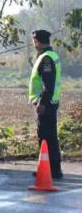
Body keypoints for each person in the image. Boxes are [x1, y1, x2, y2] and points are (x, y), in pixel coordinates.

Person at [29, 29, 63, 179]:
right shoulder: (50, 55)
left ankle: (52, 170)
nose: (33, 44)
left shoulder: (46, 58)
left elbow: (47, 84)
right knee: (50, 137)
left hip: (46, 103)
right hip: (51, 101)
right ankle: (51, 169)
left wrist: (41, 103)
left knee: (45, 137)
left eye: (34, 41)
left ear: (37, 41)